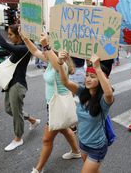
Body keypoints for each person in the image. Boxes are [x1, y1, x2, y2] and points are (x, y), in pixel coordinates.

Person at [43, 36, 114, 173]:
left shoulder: (103, 100)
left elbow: (109, 93)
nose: (88, 79)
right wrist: (60, 62)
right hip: (83, 143)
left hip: (97, 147)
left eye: (93, 77)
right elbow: (65, 82)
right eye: (87, 75)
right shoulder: (82, 92)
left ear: (100, 80)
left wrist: (97, 69)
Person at [19, 32, 81, 173]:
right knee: (64, 128)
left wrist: (46, 45)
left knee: (47, 139)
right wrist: (26, 39)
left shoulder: (61, 65)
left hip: (58, 106)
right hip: (53, 104)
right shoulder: (50, 62)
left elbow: (56, 63)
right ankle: (76, 151)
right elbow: (35, 51)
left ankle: (38, 169)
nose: (45, 51)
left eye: (49, 47)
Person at [0, 12, 40, 152]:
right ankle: (33, 120)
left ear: (19, 35)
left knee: (16, 112)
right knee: (10, 110)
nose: (8, 37)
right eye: (8, 34)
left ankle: (18, 138)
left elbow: (3, 44)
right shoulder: (17, 47)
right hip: (10, 83)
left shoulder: (24, 49)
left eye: (10, 34)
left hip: (18, 85)